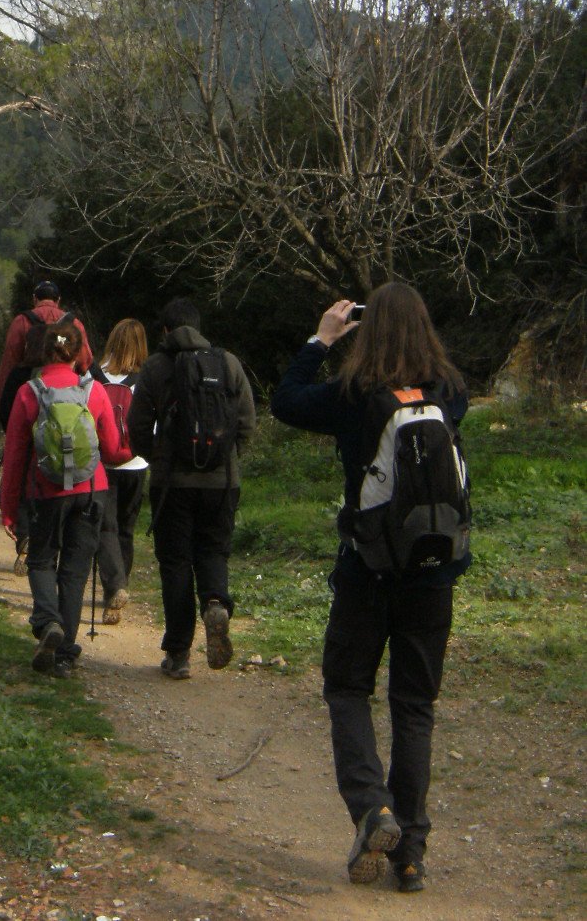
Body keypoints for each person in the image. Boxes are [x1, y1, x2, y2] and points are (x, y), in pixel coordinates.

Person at [270, 284, 469, 894]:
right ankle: (411, 854)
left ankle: (372, 807)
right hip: (433, 572)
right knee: (414, 705)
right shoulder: (449, 390)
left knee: (348, 688)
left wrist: (322, 339)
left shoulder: (353, 395)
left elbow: (285, 401)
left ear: (369, 329)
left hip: (367, 568)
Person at [127, 297, 256, 680]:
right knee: (213, 551)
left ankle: (179, 652)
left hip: (172, 485)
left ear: (165, 330)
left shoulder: (155, 367)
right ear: (199, 328)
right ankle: (215, 602)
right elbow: (246, 422)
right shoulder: (228, 363)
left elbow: (137, 426)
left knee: (176, 562)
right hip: (222, 483)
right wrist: (226, 458)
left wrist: (157, 458)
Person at [0, 321, 130, 676]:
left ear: (44, 351)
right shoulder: (94, 391)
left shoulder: (29, 393)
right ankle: (64, 657)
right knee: (74, 572)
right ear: (78, 353)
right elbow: (112, 450)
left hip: (45, 492)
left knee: (41, 560)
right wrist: (138, 450)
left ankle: (48, 621)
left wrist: (10, 509)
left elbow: (14, 457)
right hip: (91, 491)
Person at [94, 318, 150, 625]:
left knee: (106, 528)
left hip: (102, 463)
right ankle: (120, 587)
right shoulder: (145, 380)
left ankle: (114, 587)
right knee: (126, 529)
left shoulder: (94, 375)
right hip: (136, 462)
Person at [0, 318, 50, 575]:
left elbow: (4, 410)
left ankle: (25, 537)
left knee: (22, 491)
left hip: (25, 442)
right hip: (53, 446)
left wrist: (13, 433)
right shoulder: (58, 376)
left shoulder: (19, 374)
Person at [0, 279, 94, 408]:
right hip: (69, 394)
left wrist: (0, 397)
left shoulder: (21, 321)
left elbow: (9, 361)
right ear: (58, 300)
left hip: (32, 394)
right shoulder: (74, 323)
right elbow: (85, 361)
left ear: (34, 299)